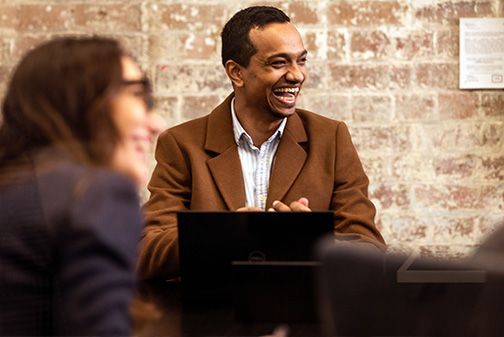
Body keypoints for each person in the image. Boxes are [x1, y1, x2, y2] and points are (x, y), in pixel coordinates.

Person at [139, 5, 385, 281]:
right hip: (213, 317)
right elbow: (146, 250)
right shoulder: (182, 144)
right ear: (236, 73)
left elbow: (371, 250)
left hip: (304, 317)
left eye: (300, 61)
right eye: (279, 63)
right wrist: (223, 235)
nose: (297, 75)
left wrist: (309, 240)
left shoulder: (332, 139)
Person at [0, 37, 161, 336]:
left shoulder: (16, 188)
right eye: (140, 96)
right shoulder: (95, 192)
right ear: (86, 100)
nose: (156, 123)